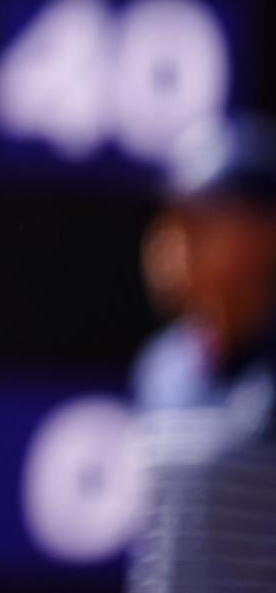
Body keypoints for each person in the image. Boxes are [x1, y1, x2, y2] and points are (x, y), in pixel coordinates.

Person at [128, 112, 276, 591]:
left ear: (265, 232)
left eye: (205, 217)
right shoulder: (159, 371)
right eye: (175, 218)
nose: (179, 238)